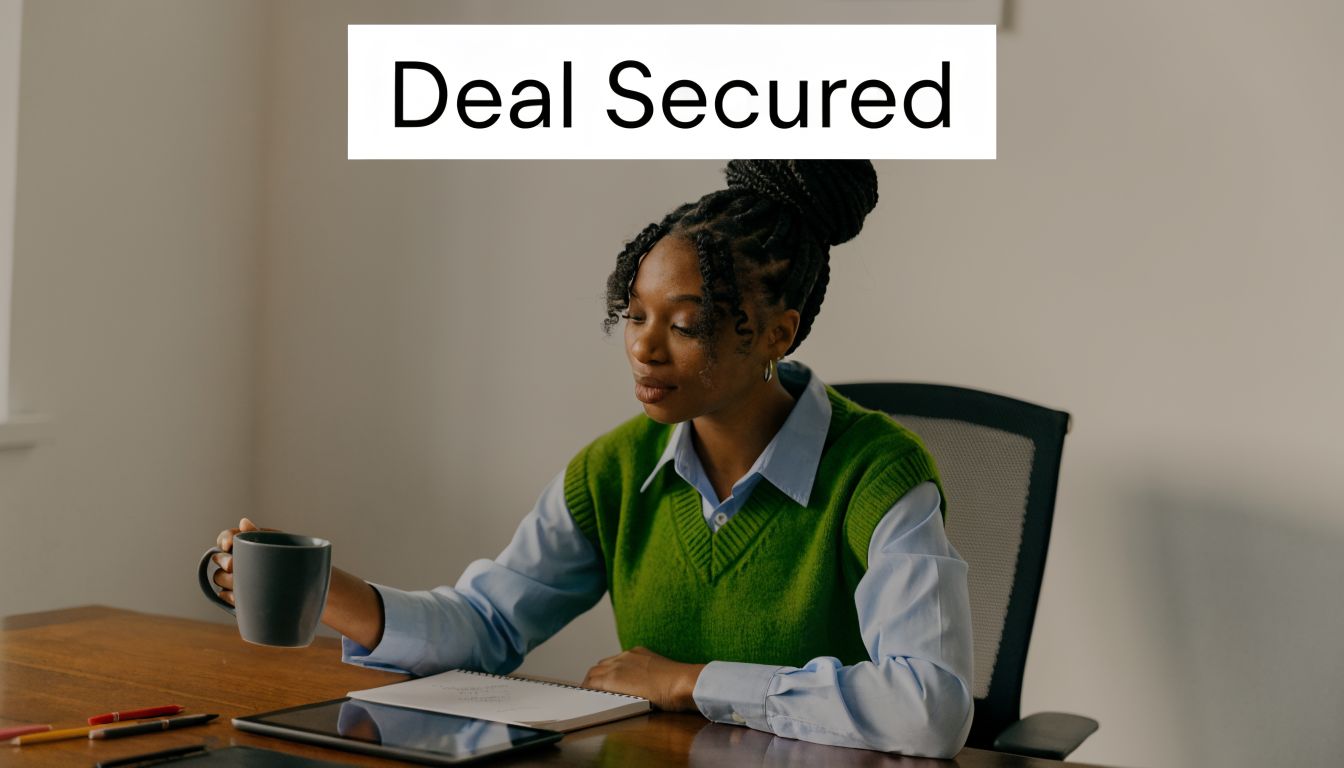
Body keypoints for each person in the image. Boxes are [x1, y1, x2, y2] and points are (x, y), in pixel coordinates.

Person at [209, 160, 973, 757]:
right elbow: (486, 624)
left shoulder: (879, 474)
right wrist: (328, 593)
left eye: (686, 322)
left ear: (778, 333)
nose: (642, 345)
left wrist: (691, 682)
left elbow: (930, 707)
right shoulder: (614, 471)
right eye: (634, 313)